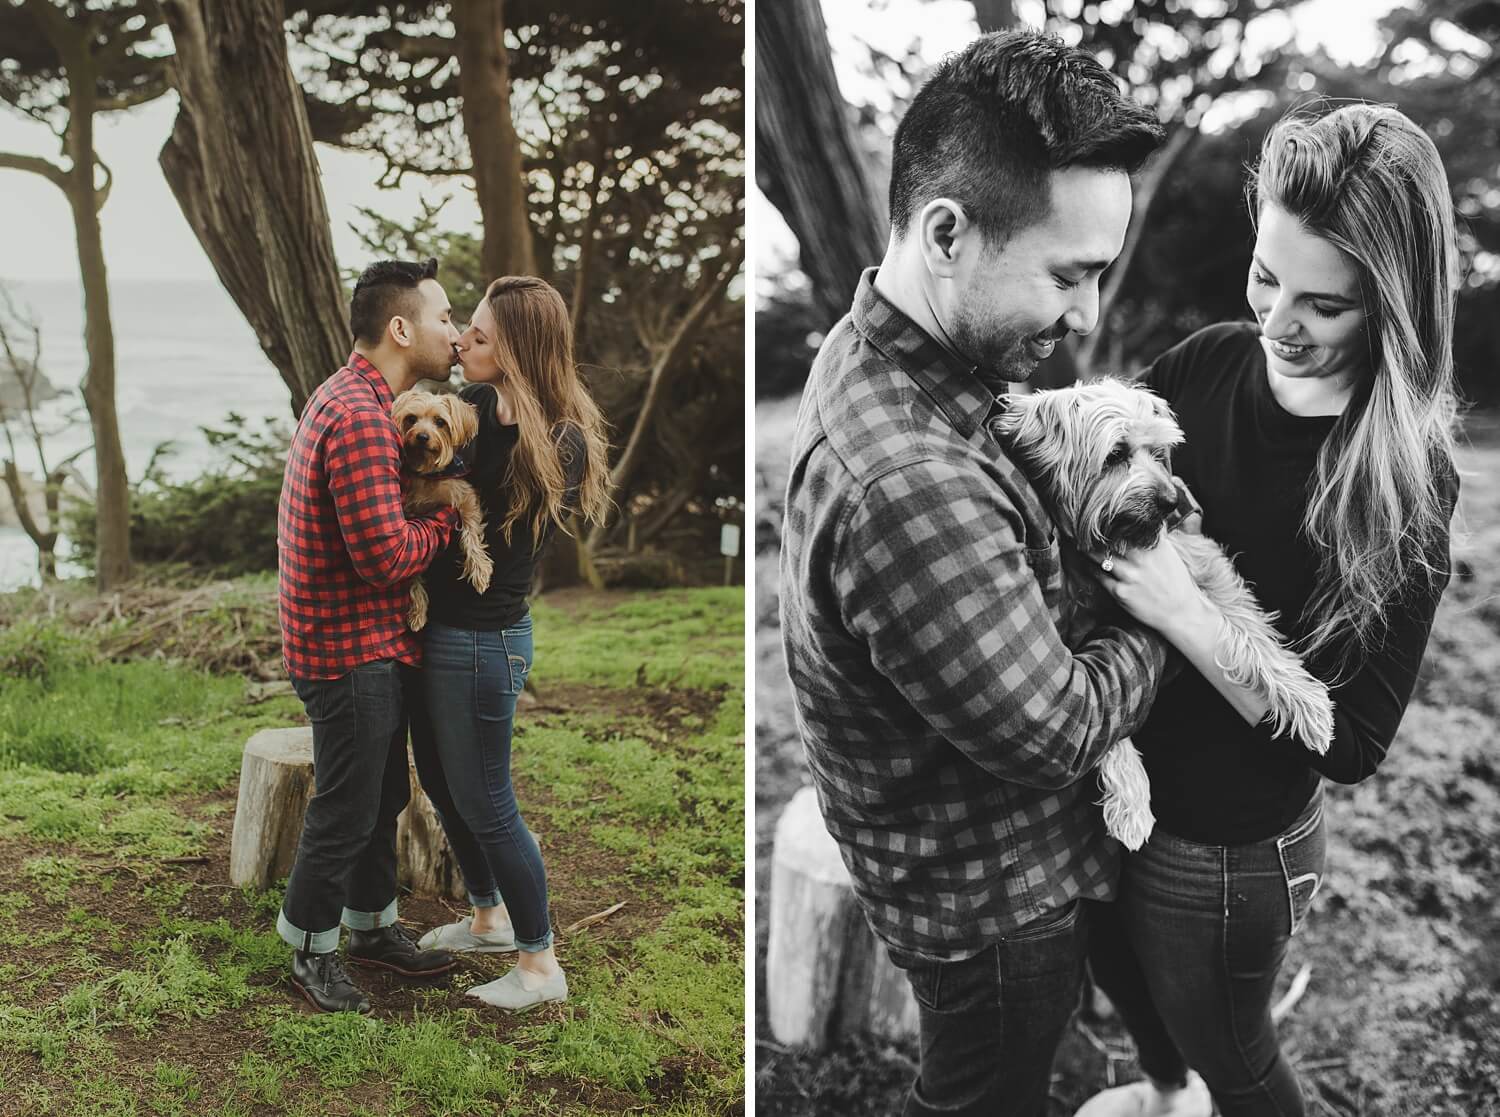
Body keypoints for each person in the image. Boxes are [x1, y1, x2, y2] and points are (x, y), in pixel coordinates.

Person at [779, 30, 1181, 1117]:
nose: (1090, 317)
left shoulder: (899, 347)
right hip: (996, 907)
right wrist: (1172, 609)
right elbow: (1055, 730)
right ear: (946, 232)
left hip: (965, 863)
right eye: (1071, 273)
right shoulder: (909, 479)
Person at [1076, 103, 1460, 1117]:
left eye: (1323, 305)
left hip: (1226, 852)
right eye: (1264, 277)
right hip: (1110, 782)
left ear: (1392, 306)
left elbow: (1354, 737)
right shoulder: (1206, 362)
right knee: (1125, 989)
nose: (1277, 324)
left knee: (1236, 1056)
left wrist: (1185, 614)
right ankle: (1166, 1097)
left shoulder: (1403, 482)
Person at [408, 276, 610, 1011]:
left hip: (479, 640)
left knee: (489, 800)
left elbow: (431, 453)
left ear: (518, 351)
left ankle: (538, 963)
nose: (461, 341)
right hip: (471, 636)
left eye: (481, 336)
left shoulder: (500, 417)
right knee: (440, 777)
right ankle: (489, 917)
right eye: (465, 329)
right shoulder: (551, 424)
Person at [276, 257, 466, 1014]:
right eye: (444, 317)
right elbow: (385, 555)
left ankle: (372, 926)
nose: (453, 332)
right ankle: (310, 945)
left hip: (365, 643)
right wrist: (448, 521)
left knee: (383, 793)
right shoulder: (359, 416)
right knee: (349, 804)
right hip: (345, 649)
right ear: (400, 327)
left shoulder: (357, 397)